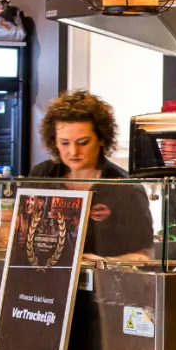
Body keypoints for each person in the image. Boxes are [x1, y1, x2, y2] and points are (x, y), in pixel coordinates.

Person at [25, 90, 155, 260]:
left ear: (101, 139)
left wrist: (104, 263)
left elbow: (144, 256)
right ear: (54, 140)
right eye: (64, 143)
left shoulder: (125, 188)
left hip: (104, 283)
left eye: (83, 142)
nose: (73, 151)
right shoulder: (41, 175)